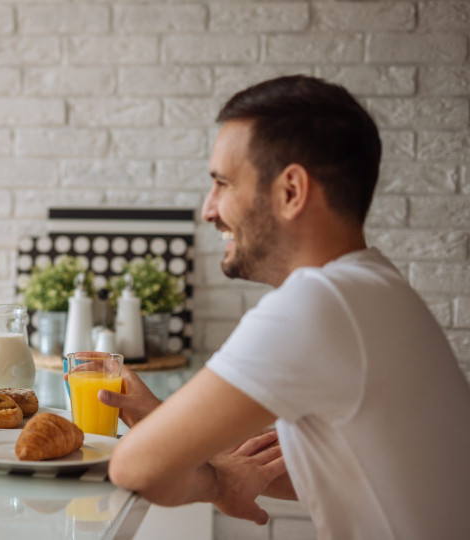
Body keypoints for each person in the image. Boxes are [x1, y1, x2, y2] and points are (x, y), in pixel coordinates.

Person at [102, 76, 470, 538]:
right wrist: (160, 420)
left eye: (221, 183)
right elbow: (330, 469)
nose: (208, 209)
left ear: (292, 191)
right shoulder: (375, 288)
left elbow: (135, 467)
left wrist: (217, 481)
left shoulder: (318, 303)